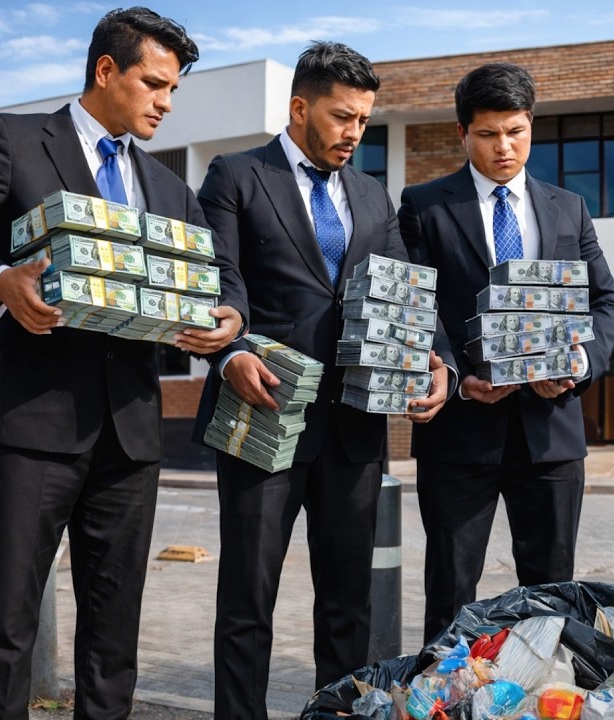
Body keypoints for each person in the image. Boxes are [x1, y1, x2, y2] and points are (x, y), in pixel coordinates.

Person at [0, 8, 244, 718]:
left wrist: (228, 318)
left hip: (131, 434)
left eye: (174, 89)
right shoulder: (17, 140)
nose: (166, 103)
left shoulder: (169, 188)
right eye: (154, 83)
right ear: (105, 70)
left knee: (114, 636)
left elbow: (221, 274)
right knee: (5, 628)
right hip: (30, 423)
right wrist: (1, 283)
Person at [192, 40, 455, 713]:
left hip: (355, 430)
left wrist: (436, 358)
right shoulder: (235, 175)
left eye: (364, 120)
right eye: (342, 117)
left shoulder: (372, 195)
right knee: (248, 603)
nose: (354, 133)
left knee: (348, 606)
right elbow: (219, 280)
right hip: (264, 412)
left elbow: (406, 293)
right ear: (300, 107)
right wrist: (230, 353)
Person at [398, 62, 614, 643]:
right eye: (488, 133)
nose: (504, 147)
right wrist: (454, 371)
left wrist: (575, 366)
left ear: (532, 126)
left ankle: (546, 693)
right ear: (462, 133)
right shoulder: (424, 205)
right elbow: (415, 305)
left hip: (550, 434)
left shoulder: (567, 208)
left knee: (552, 593)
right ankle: (441, 698)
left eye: (516, 131)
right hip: (460, 431)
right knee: (450, 588)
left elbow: (607, 304)